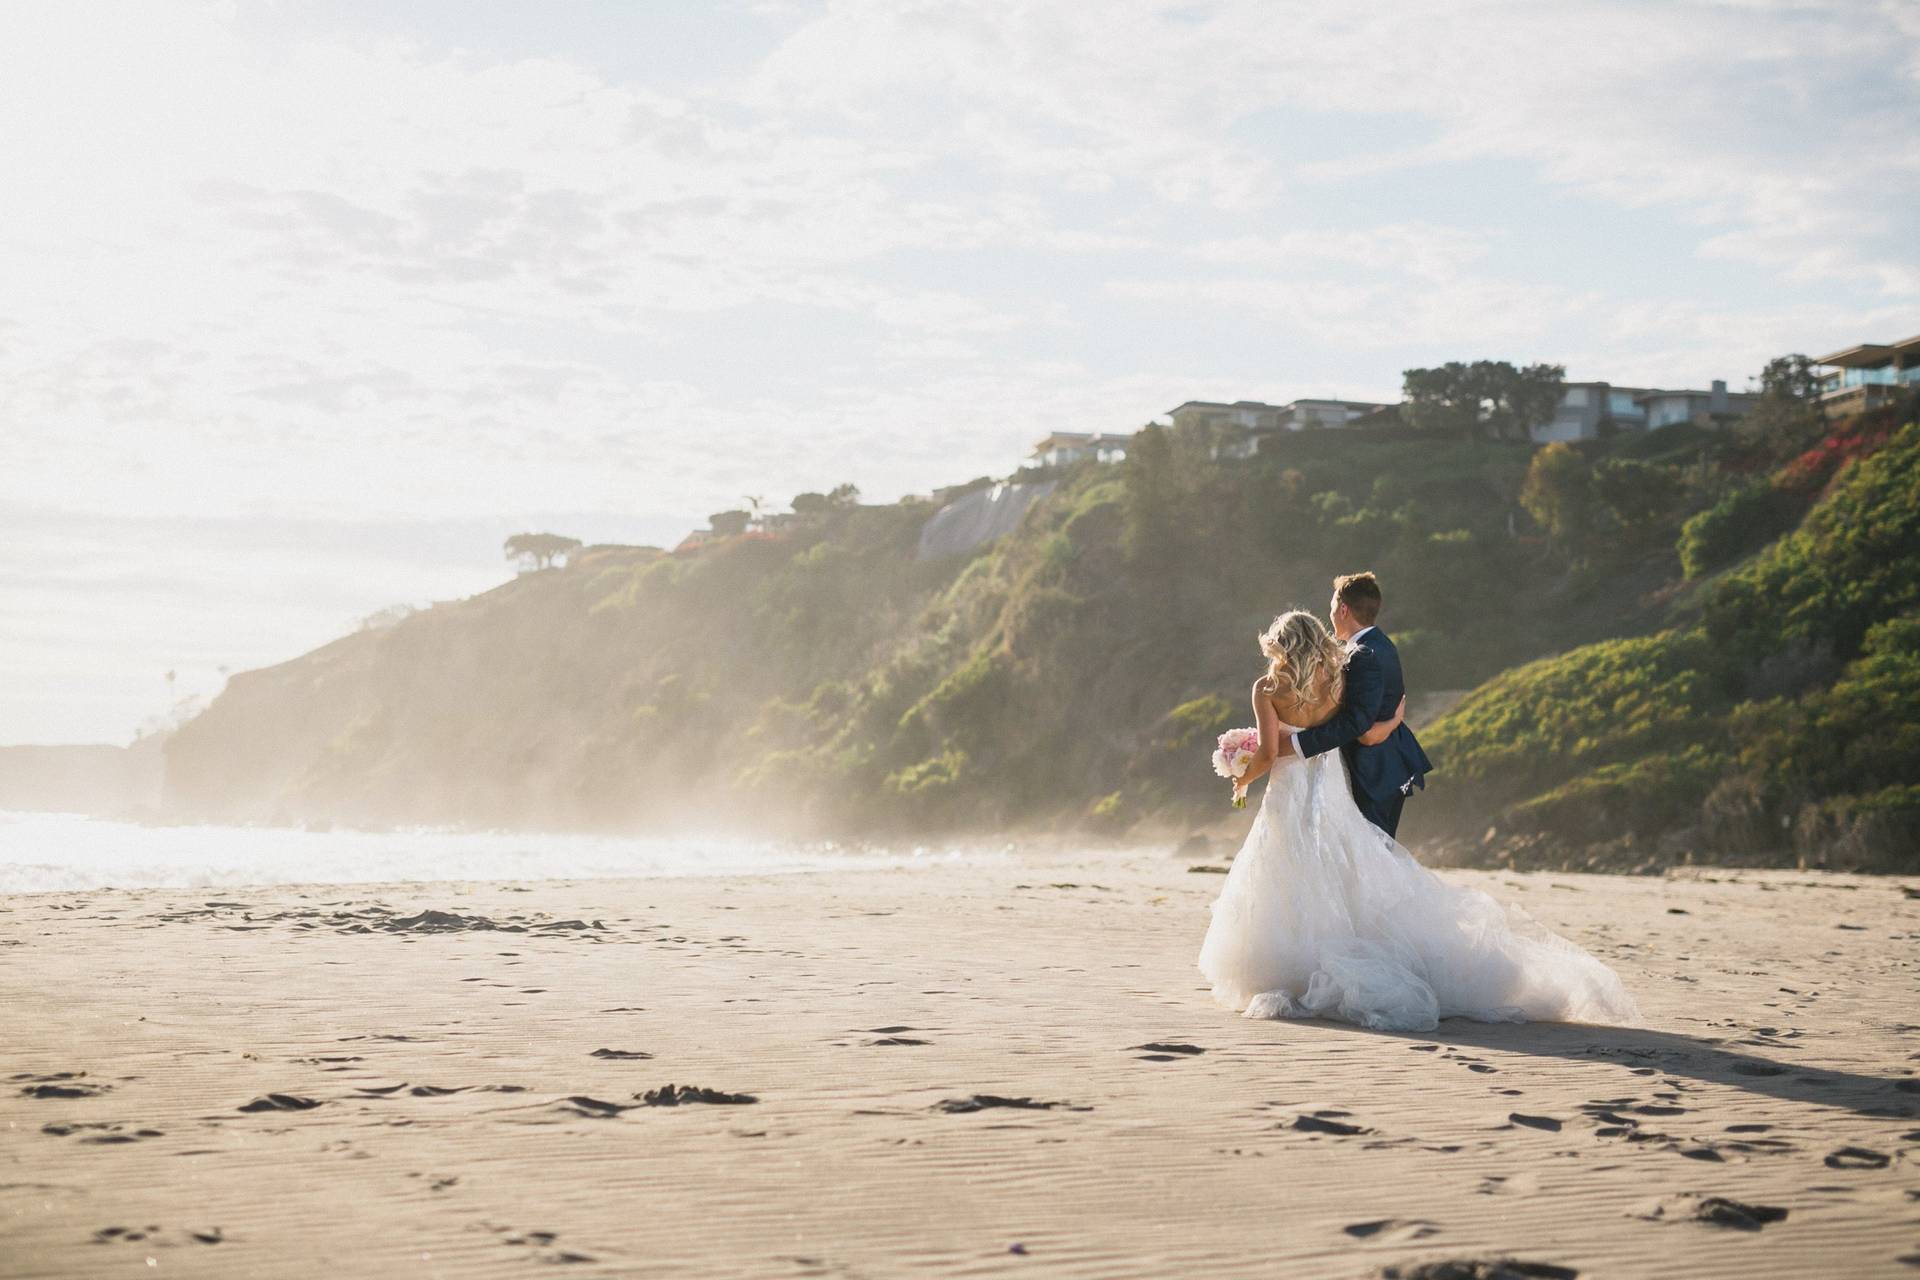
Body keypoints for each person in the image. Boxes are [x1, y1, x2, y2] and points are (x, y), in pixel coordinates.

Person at [1199, 600, 1638, 1032]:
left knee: (1287, 867)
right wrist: (1390, 725)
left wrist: (1240, 776)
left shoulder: (1268, 689)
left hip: (1290, 790)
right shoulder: (1335, 680)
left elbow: (1271, 754)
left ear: (1280, 646)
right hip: (1331, 784)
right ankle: (1349, 941)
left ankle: (1291, 963)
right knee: (1344, 860)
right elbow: (1355, 726)